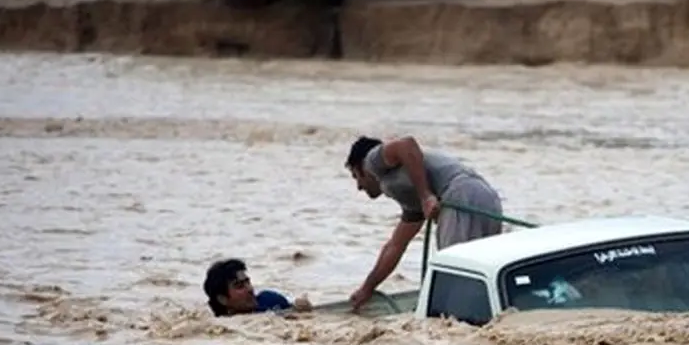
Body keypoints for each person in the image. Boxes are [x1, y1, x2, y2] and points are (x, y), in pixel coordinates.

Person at [344, 134, 504, 311]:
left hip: (461, 194)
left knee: (454, 270)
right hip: (486, 198)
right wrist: (367, 288)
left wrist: (425, 196)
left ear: (361, 167)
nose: (359, 187)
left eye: (355, 176)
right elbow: (395, 246)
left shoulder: (372, 161)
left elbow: (407, 144)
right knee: (477, 271)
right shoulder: (409, 198)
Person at [202, 258, 310, 316]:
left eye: (248, 282)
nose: (250, 289)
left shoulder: (270, 301)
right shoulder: (220, 329)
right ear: (223, 299)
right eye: (240, 286)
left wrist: (302, 309)